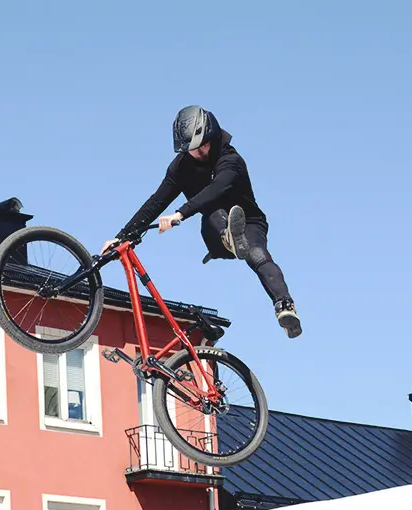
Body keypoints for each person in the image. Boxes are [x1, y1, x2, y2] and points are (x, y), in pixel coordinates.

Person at [101, 105, 301, 338]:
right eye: (191, 150)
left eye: (201, 146)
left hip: (250, 223)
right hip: (214, 230)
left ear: (212, 136)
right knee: (215, 213)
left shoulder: (231, 160)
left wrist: (180, 213)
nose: (197, 153)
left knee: (257, 255)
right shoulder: (181, 167)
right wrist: (122, 235)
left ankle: (285, 306)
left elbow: (217, 188)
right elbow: (156, 202)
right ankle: (228, 238)